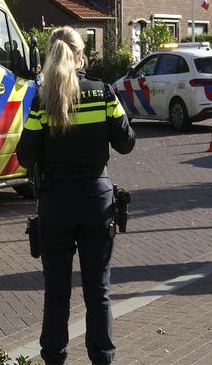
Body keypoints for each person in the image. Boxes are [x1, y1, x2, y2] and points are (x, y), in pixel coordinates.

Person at [17, 27, 135, 365]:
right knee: (98, 291)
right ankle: (103, 358)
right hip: (97, 200)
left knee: (57, 293)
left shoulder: (44, 102)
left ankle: (54, 359)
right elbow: (126, 143)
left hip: (56, 202)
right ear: (81, 54)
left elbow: (24, 156)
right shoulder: (103, 93)